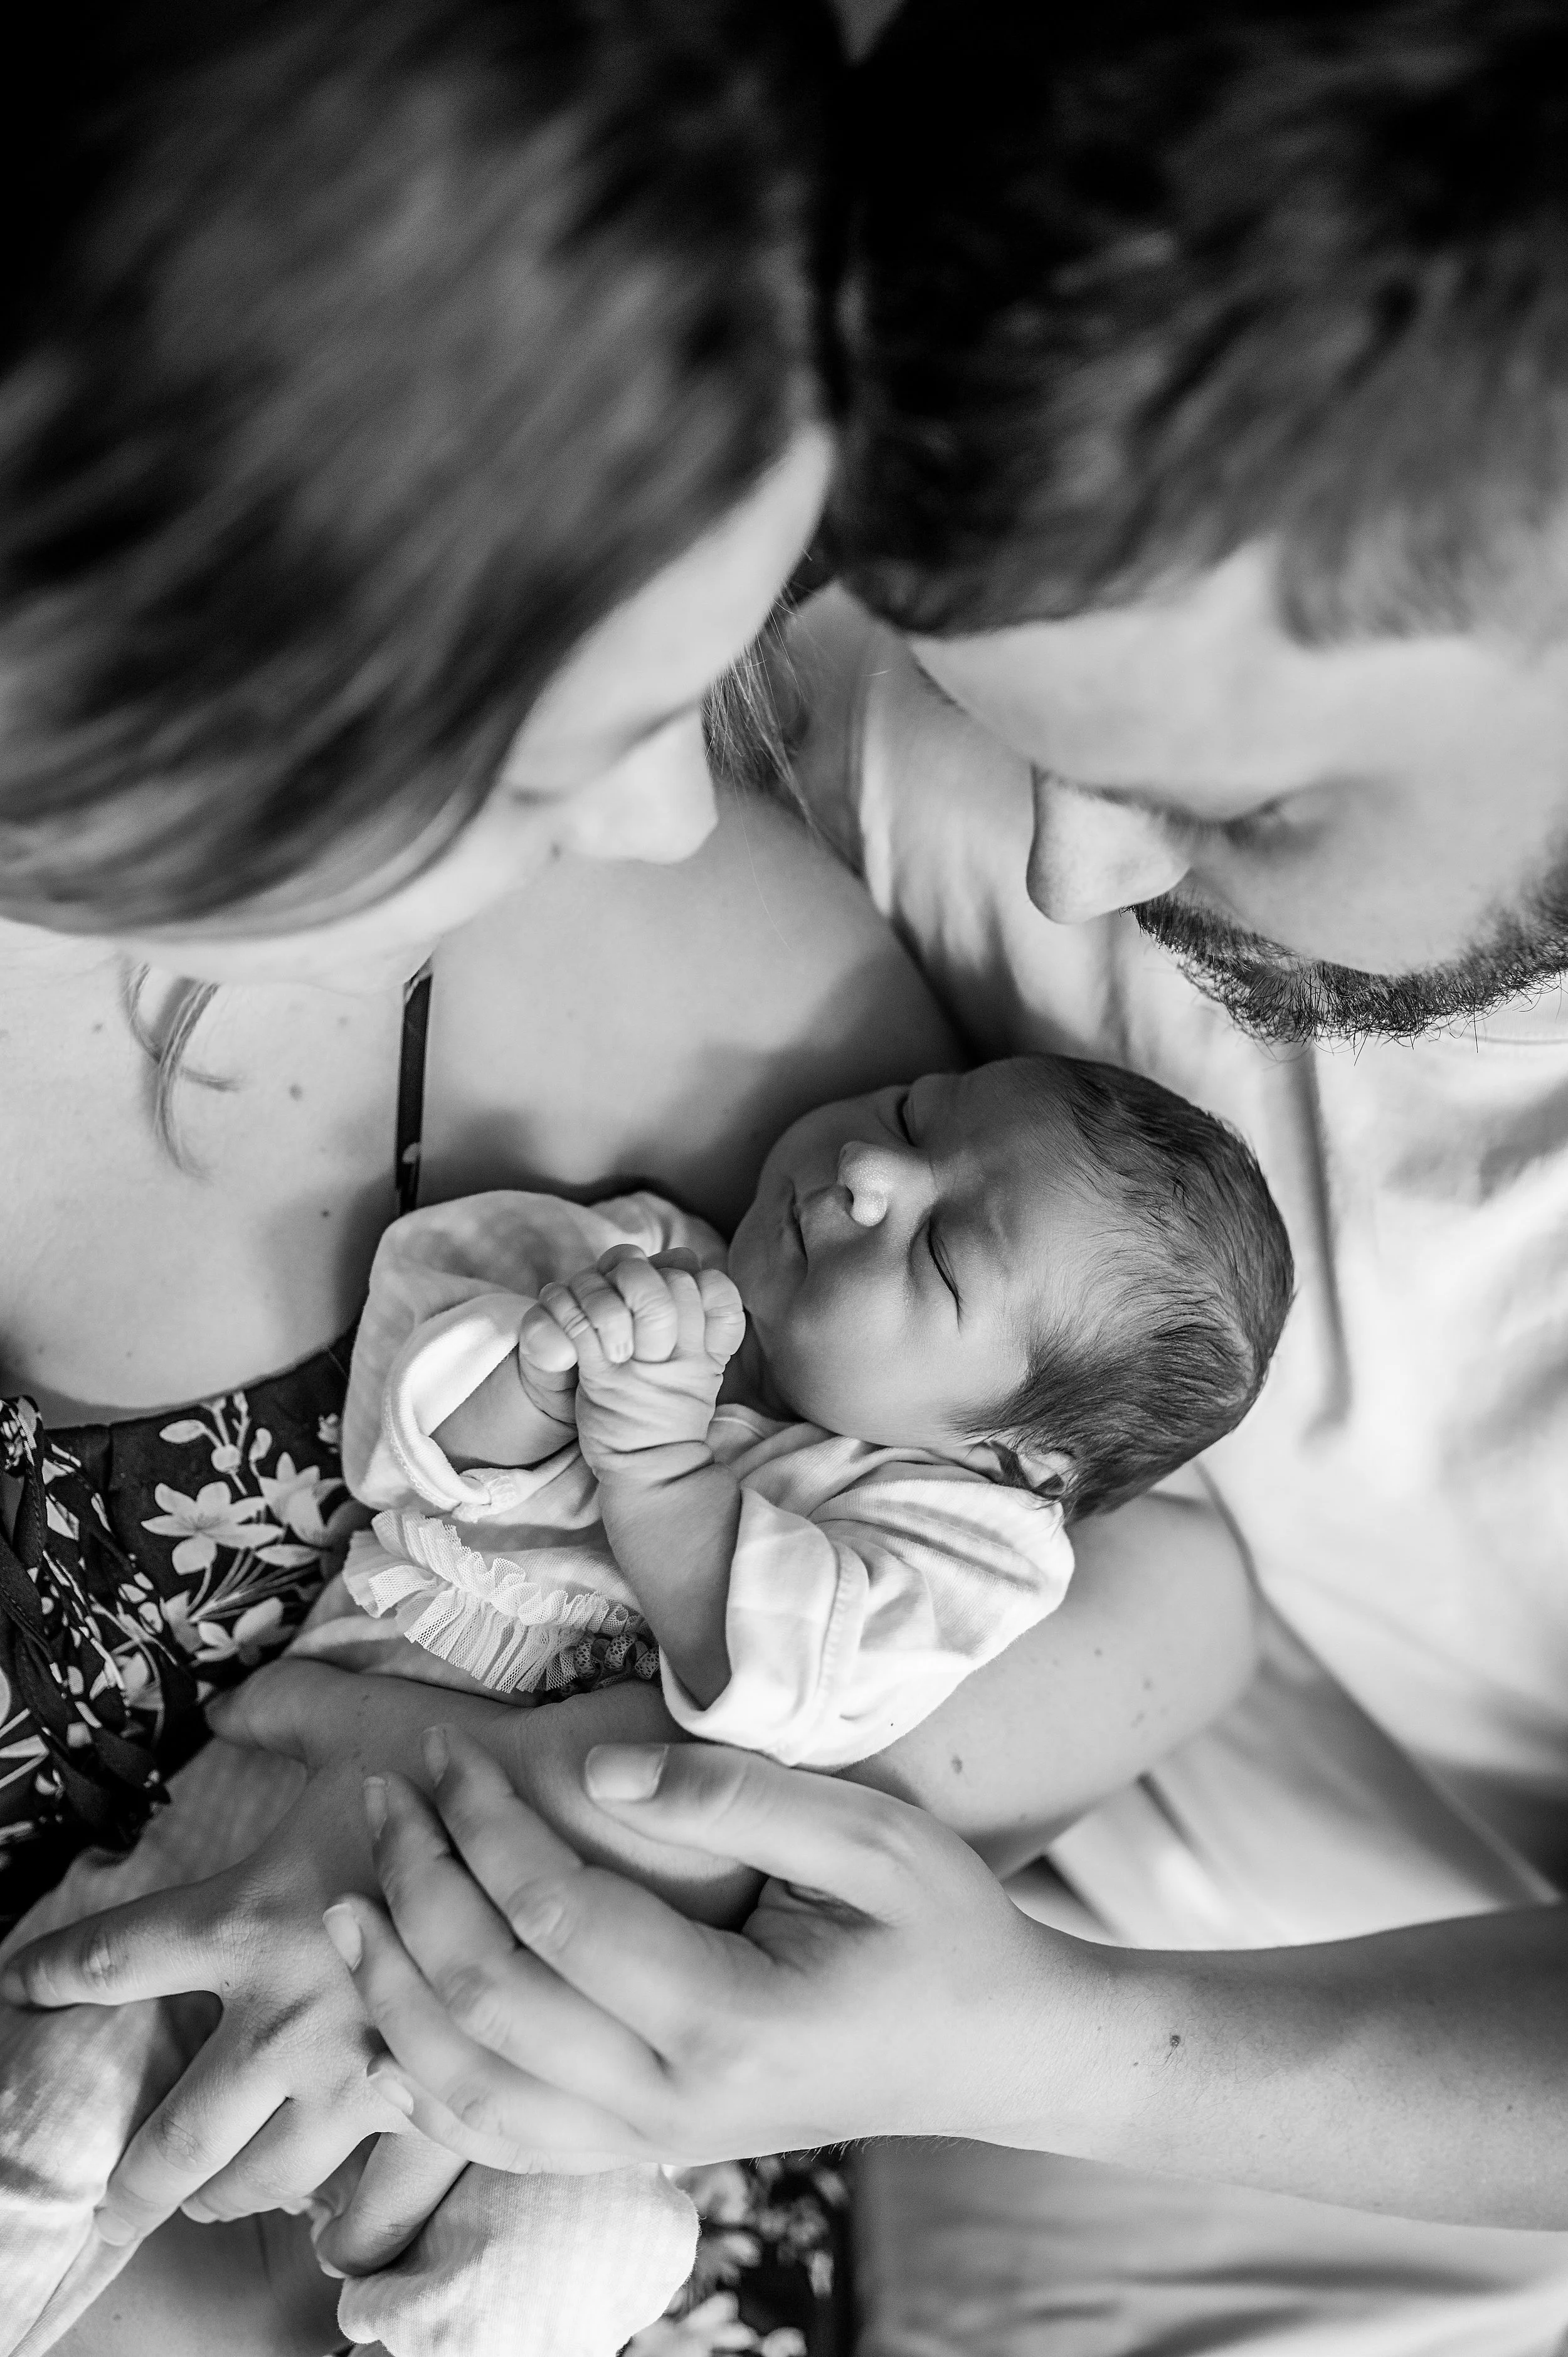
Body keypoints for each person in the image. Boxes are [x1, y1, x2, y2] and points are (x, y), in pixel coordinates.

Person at [236, 5, 1568, 2353]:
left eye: (1245, 804)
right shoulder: (979, 615)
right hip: (965, 1945)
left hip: (1333, 2093)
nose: (1070, 865)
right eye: (1014, 726)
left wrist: (1025, 2037)